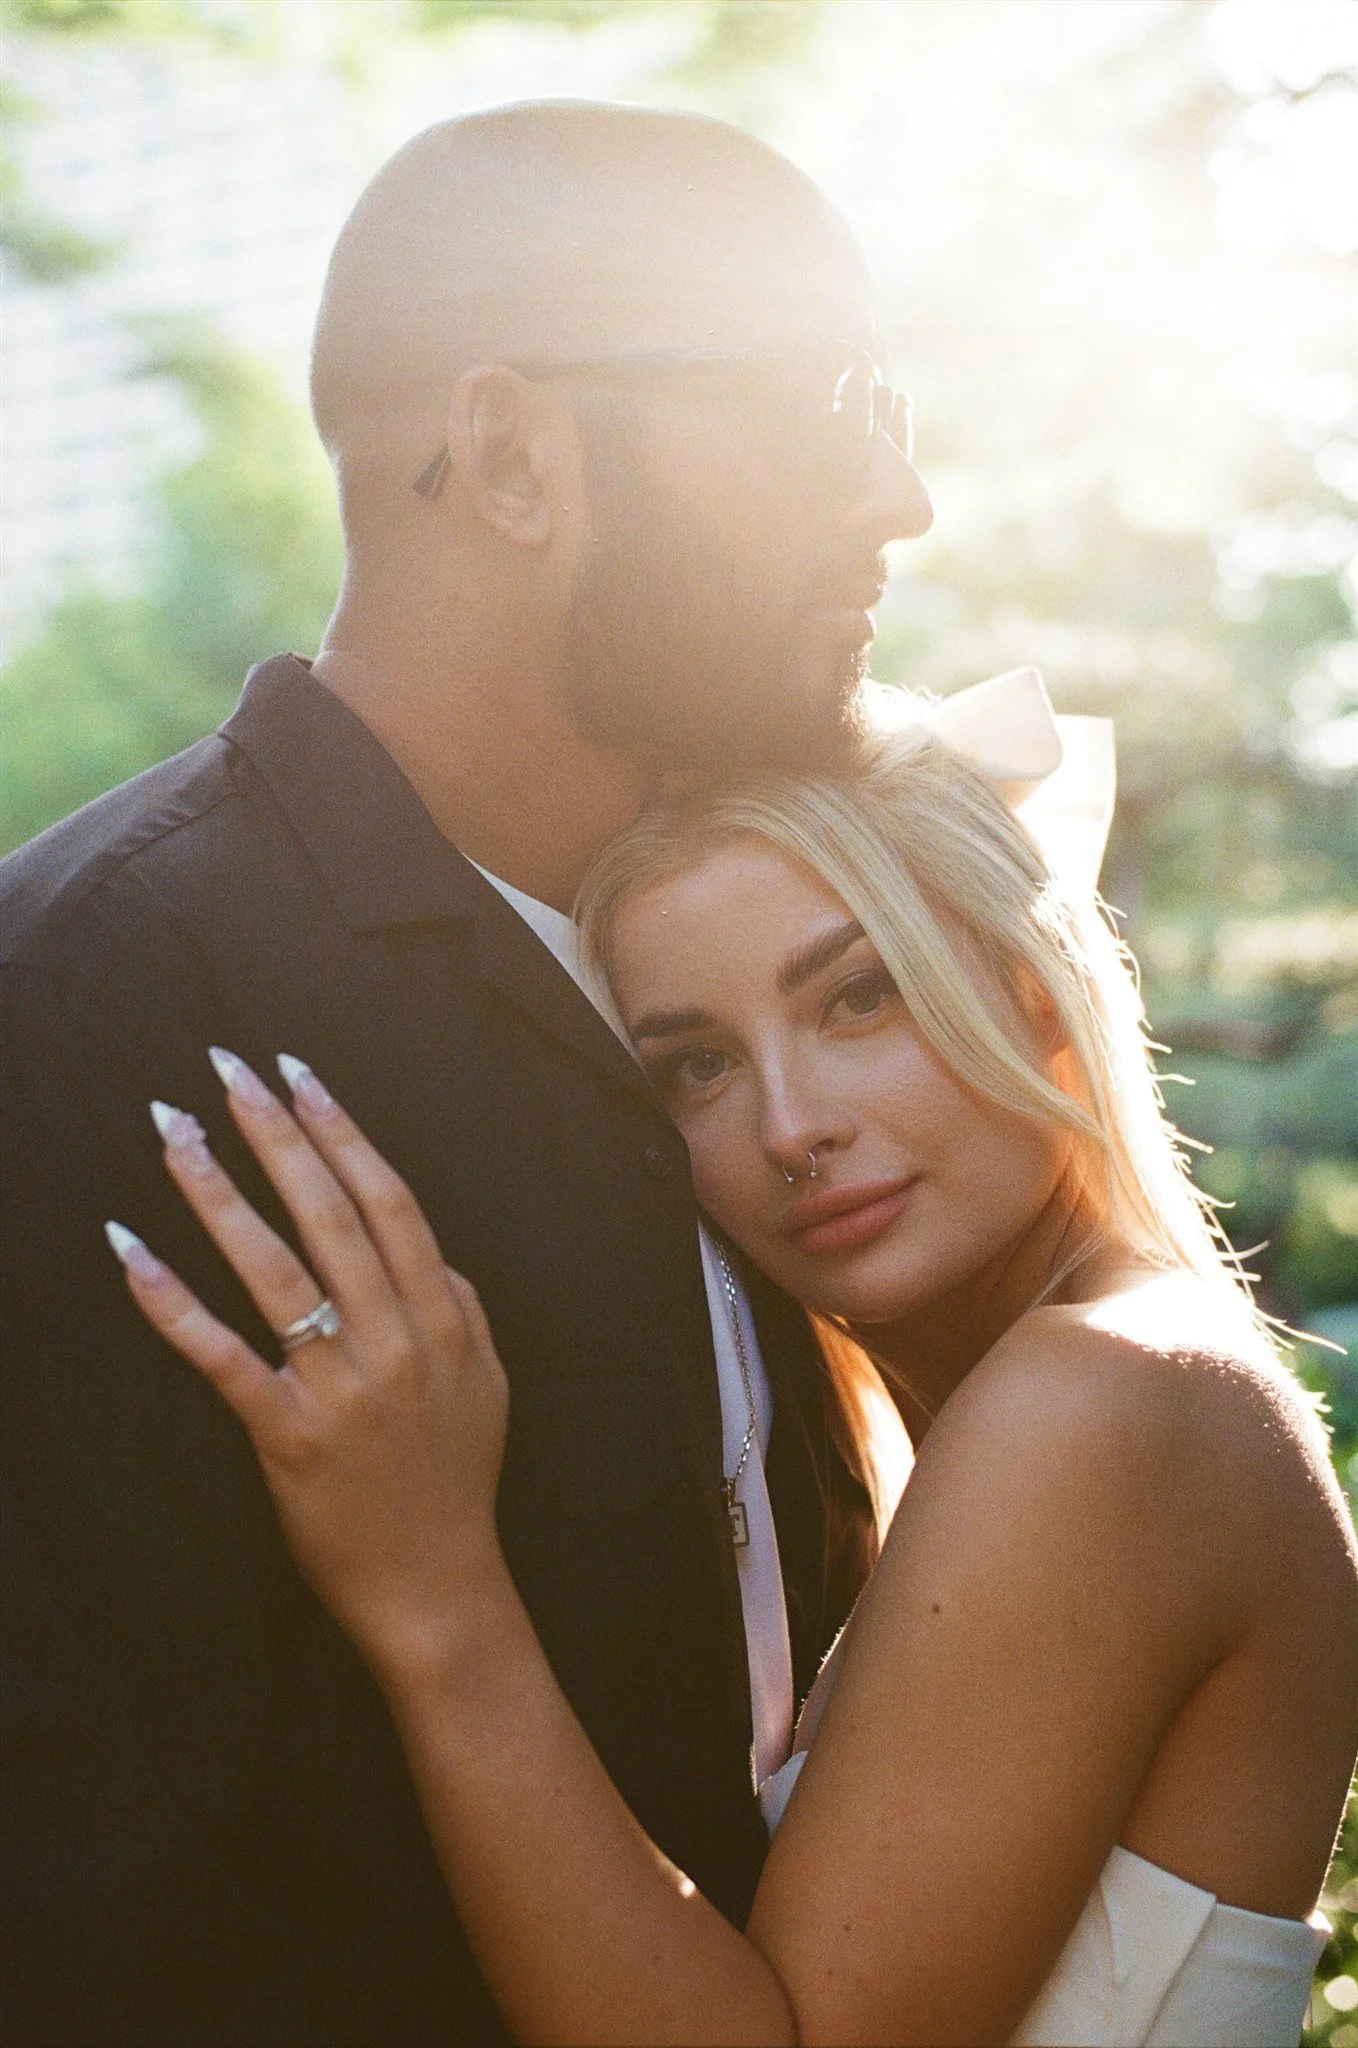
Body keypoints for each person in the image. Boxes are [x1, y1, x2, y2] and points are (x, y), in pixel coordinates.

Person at [0, 102, 932, 2045]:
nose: (898, 502)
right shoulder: (82, 1017)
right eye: (827, 404)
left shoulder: (763, 941)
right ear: (510, 456)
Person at [108, 707, 1357, 2047]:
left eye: (855, 996)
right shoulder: (1104, 1392)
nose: (789, 1127)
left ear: (1032, 990)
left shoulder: (1102, 1401)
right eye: (694, 1065)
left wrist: (435, 1601)